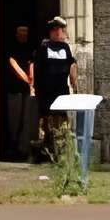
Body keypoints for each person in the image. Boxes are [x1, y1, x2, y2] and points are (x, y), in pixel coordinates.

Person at [34, 15, 78, 155]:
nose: (60, 33)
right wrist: (37, 89)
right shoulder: (44, 47)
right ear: (52, 31)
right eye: (57, 30)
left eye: (61, 30)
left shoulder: (65, 47)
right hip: (46, 91)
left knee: (61, 118)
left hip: (61, 90)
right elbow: (38, 69)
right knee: (46, 118)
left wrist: (73, 81)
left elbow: (71, 64)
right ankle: (47, 146)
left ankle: (62, 148)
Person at [4, 22, 36, 161]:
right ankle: (13, 148)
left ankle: (23, 149)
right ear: (16, 33)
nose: (23, 35)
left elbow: (32, 64)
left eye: (25, 32)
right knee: (14, 120)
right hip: (14, 89)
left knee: (26, 120)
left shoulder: (30, 47)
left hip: (26, 90)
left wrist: (31, 80)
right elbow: (13, 63)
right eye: (21, 32)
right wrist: (26, 79)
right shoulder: (11, 47)